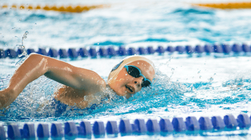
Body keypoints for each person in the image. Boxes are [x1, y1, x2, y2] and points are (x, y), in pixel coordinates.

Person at [0, 53, 155, 112]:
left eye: (145, 82)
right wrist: (11, 92)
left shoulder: (113, 103)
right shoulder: (96, 84)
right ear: (115, 69)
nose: (138, 81)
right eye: (134, 72)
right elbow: (41, 61)